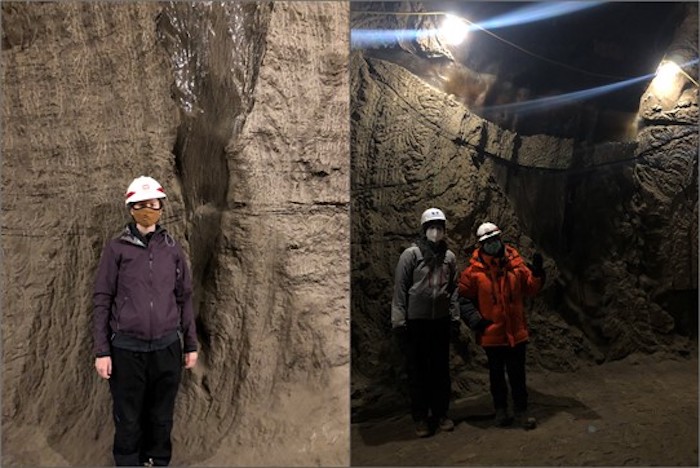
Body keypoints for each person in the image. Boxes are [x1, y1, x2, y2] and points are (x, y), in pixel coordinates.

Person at [93, 176, 198, 466]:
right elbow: (102, 299)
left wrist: (190, 344)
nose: (147, 210)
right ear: (130, 208)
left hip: (166, 348)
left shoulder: (173, 249)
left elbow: (184, 298)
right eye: (140, 205)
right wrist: (102, 351)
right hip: (126, 350)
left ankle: (157, 461)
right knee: (127, 417)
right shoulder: (116, 249)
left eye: (152, 204)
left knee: (161, 415)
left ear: (161, 207)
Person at [458, 222, 544, 430]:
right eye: (487, 242)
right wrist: (475, 320)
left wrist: (539, 274)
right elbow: (463, 298)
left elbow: (530, 288)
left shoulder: (516, 265)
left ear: (501, 239)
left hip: (516, 332)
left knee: (517, 375)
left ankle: (521, 411)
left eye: (495, 239)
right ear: (481, 245)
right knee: (496, 376)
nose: (492, 244)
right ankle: (501, 411)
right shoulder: (473, 273)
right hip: (492, 334)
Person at [391, 207, 462, 437]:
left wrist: (454, 318)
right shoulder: (411, 256)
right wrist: (399, 322)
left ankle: (440, 414)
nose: (435, 232)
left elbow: (453, 290)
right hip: (417, 323)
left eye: (439, 227)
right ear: (424, 230)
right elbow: (400, 291)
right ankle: (421, 417)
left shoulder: (448, 258)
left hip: (439, 322)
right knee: (418, 371)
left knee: (440, 370)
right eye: (431, 227)